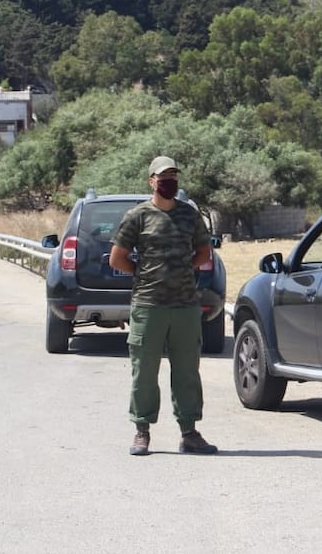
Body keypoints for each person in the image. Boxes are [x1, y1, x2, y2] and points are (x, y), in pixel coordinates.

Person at [109, 156, 218, 457]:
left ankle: (189, 433)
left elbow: (203, 251)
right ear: (151, 182)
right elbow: (117, 257)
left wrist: (182, 270)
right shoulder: (137, 216)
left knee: (187, 372)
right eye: (163, 176)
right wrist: (145, 273)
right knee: (144, 372)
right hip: (149, 305)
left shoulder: (189, 215)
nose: (169, 180)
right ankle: (142, 431)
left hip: (184, 306)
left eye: (173, 175)